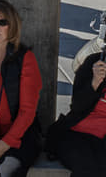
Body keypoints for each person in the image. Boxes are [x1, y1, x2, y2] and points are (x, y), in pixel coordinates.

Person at [46, 46, 106, 174]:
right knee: (87, 166)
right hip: (76, 134)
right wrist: (94, 82)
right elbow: (77, 106)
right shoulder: (93, 63)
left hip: (102, 140)